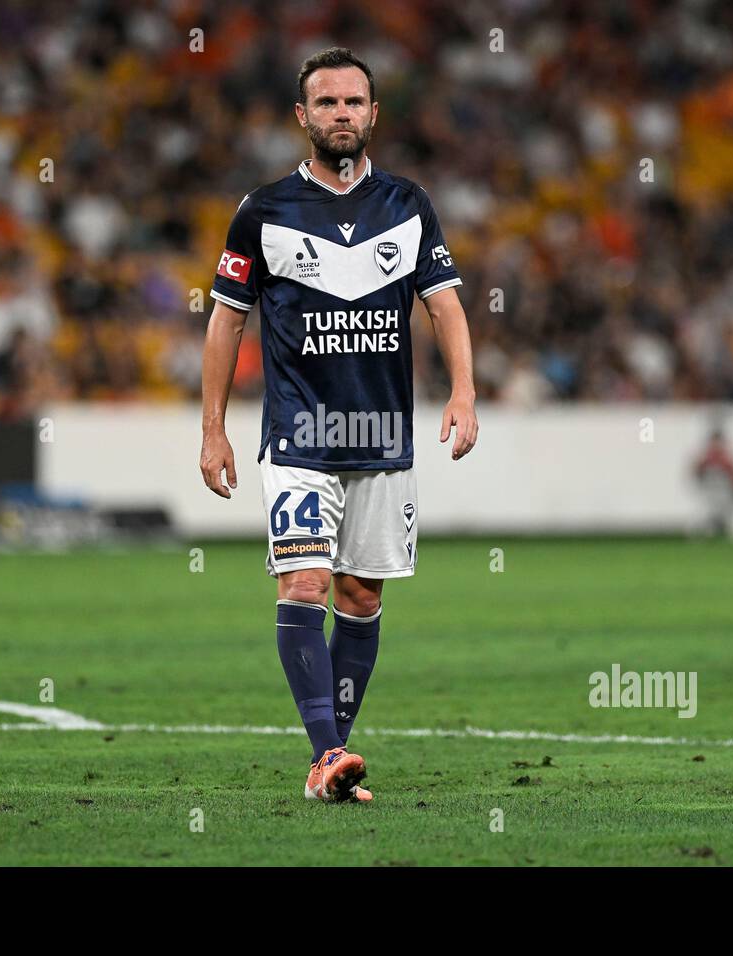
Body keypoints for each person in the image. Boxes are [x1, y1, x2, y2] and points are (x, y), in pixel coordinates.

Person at [199, 48, 478, 804]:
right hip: (298, 439)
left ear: (374, 113)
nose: (341, 114)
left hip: (384, 441)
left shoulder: (409, 204)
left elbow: (445, 304)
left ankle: (335, 758)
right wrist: (213, 429)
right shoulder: (262, 211)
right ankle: (325, 751)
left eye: (354, 102)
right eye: (326, 103)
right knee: (306, 581)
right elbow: (225, 324)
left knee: (359, 598)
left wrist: (463, 392)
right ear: (302, 116)